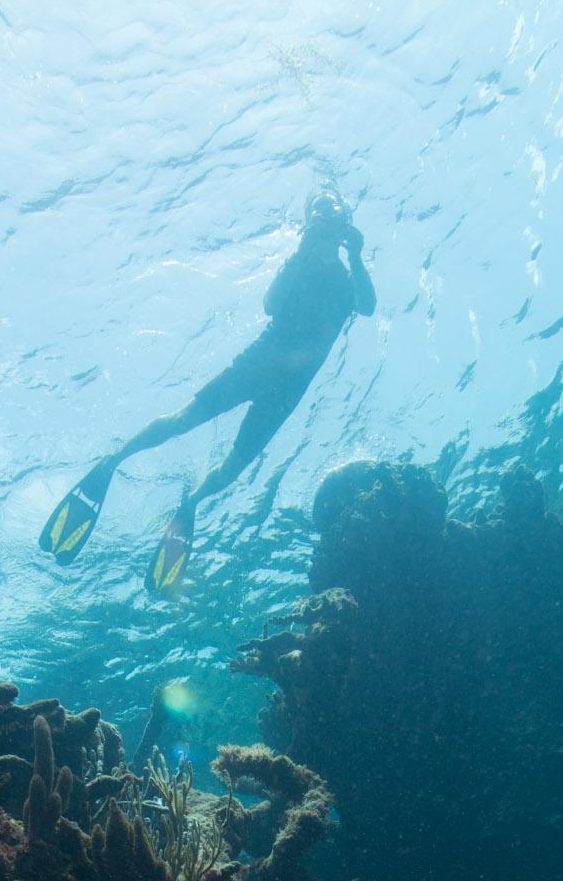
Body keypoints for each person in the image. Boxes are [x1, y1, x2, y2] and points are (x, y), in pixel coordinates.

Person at [39, 193, 376, 593]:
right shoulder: (299, 264)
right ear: (308, 225)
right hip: (255, 367)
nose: (322, 231)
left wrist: (356, 257)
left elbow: (368, 307)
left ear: (342, 229)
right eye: (316, 221)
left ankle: (192, 500)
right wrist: (299, 255)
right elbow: (271, 305)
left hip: (286, 393)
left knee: (233, 469)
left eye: (330, 223)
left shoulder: (345, 278)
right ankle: (113, 462)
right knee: (184, 420)